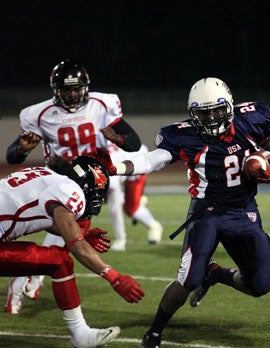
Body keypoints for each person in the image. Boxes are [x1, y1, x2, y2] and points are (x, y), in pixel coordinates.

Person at [110, 77, 270, 347]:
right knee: (188, 279)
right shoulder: (185, 136)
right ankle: (155, 331)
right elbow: (151, 161)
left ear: (229, 106)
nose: (211, 118)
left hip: (243, 212)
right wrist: (115, 168)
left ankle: (215, 274)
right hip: (207, 213)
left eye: (217, 111)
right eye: (203, 113)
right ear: (193, 114)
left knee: (260, 285)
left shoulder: (251, 120)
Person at [5, 58, 142, 312]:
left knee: (66, 235)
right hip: (60, 180)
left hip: (92, 181)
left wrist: (119, 138)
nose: (71, 94)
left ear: (85, 87)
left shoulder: (103, 104)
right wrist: (22, 150)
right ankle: (28, 279)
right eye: (66, 89)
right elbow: (12, 155)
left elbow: (133, 143)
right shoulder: (40, 113)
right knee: (71, 237)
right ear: (55, 90)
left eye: (76, 88)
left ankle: (28, 279)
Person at [0, 155, 144, 347]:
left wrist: (81, 232)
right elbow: (77, 247)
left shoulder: (43, 174)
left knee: (58, 260)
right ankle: (81, 334)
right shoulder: (69, 190)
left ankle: (81, 334)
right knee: (61, 261)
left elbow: (37, 216)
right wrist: (115, 278)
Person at [107, 142, 163, 251]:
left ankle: (154, 226)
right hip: (123, 164)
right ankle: (139, 201)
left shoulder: (110, 174)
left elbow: (115, 208)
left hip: (135, 166)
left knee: (131, 209)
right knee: (117, 201)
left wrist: (120, 239)